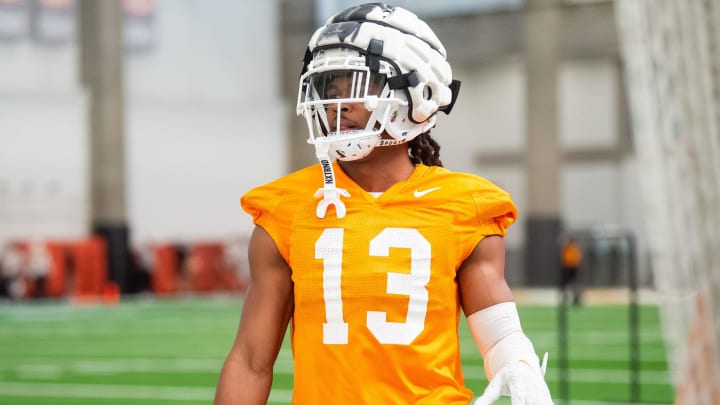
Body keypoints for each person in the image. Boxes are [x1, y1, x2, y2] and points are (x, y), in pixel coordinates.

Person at [214, 3, 553, 404]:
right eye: (329, 91)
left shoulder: (465, 205)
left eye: (356, 87)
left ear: (418, 92)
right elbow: (252, 359)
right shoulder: (286, 207)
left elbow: (498, 332)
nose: (338, 108)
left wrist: (519, 365)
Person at [560, 236, 583, 306]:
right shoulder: (569, 248)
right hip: (569, 268)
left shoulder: (571, 248)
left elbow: (576, 259)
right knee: (569, 284)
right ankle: (569, 298)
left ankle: (575, 299)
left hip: (571, 268)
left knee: (572, 284)